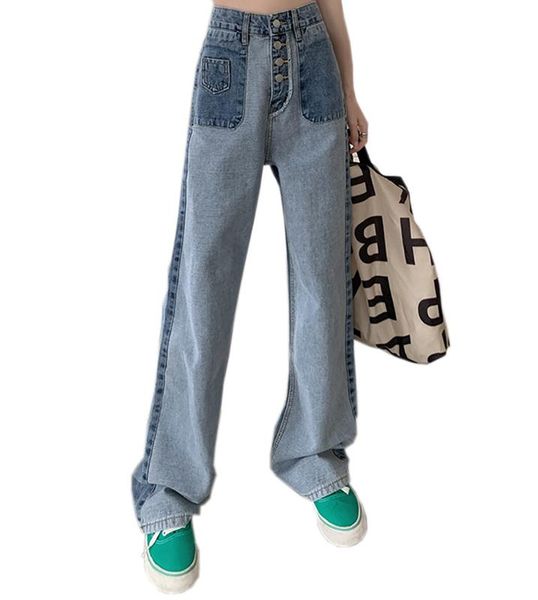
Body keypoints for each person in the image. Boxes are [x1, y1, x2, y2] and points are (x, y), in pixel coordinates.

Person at [131, 0, 369, 592]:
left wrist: (348, 86)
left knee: (321, 278)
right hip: (230, 58)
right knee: (203, 285)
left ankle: (315, 453)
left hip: (313, 58)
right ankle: (169, 492)